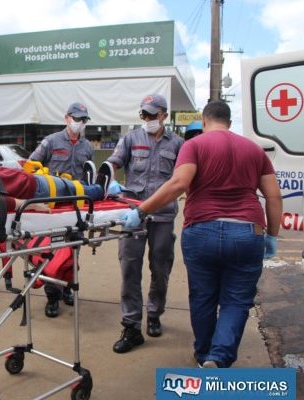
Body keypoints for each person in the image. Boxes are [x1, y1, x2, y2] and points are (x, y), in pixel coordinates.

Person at [122, 100, 282, 368]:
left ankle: (204, 353)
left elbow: (179, 183)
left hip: (201, 231)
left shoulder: (193, 146)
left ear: (205, 121)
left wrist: (141, 211)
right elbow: (274, 196)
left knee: (203, 295)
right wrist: (272, 235)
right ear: (229, 123)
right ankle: (219, 358)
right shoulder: (255, 150)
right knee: (237, 299)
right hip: (247, 232)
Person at [106, 94, 184, 354]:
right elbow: (114, 162)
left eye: (152, 114)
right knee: (130, 268)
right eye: (144, 114)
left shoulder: (178, 144)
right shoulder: (130, 138)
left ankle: (154, 313)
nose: (147, 119)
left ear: (164, 115)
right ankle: (131, 326)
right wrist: (109, 177)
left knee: (160, 268)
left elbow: (184, 178)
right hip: (133, 214)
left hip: (162, 216)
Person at [29, 102, 94, 318]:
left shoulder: (87, 147)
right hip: (54, 207)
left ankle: (68, 288)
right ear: (67, 118)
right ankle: (52, 297)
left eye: (83, 120)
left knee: (74, 249)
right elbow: (31, 166)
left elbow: (88, 176)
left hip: (76, 207)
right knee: (53, 251)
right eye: (76, 118)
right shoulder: (51, 141)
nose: (80, 123)